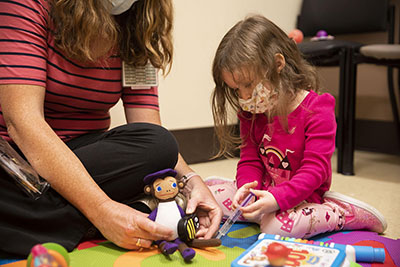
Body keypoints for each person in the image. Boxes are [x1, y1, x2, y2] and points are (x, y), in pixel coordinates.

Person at [0, 0, 222, 258]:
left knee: (159, 144)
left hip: (88, 158)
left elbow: (148, 126)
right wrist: (102, 211)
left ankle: (31, 223)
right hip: (17, 164)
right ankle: (100, 220)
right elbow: (23, 123)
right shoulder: (28, 5)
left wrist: (192, 183)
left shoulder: (137, 24)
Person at [206, 15, 387, 239]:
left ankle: (340, 213)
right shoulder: (251, 113)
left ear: (278, 64)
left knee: (274, 227)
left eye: (248, 85)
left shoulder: (317, 109)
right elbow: (250, 160)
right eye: (236, 89)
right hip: (265, 191)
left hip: (303, 196)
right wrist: (245, 188)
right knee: (208, 199)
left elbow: (315, 171)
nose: (243, 96)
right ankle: (245, 198)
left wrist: (277, 200)